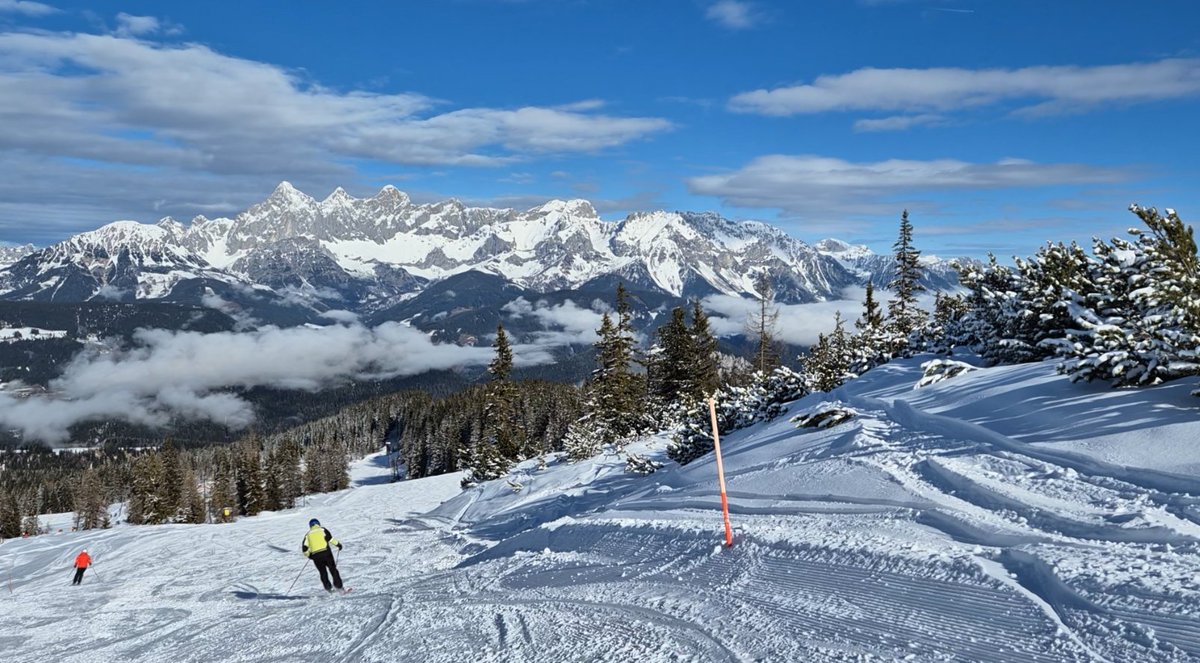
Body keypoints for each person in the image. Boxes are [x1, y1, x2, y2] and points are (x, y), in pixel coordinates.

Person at [301, 518, 344, 592]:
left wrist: (310, 555)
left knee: (323, 572)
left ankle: (329, 589)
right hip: (326, 553)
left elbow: (304, 549)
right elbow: (330, 539)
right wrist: (338, 545)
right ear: (318, 524)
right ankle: (339, 587)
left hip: (316, 556)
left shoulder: (307, 535)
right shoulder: (323, 530)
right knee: (333, 569)